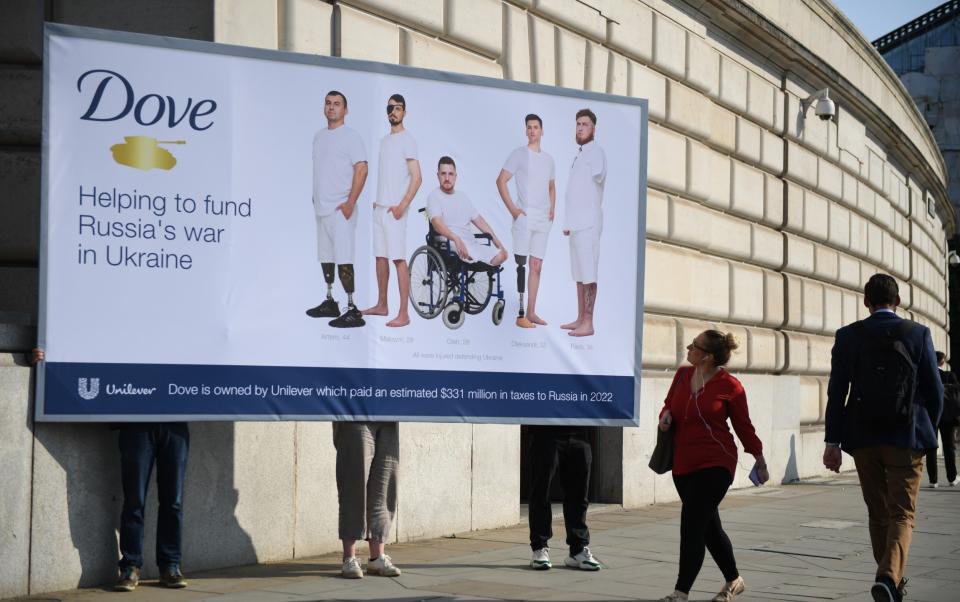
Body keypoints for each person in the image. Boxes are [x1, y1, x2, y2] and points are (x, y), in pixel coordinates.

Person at [823, 273, 942, 602]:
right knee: (902, 513)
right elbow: (935, 392)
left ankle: (890, 581)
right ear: (898, 302)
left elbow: (837, 393)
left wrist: (832, 441)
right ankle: (889, 577)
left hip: (862, 438)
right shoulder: (917, 333)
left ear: (866, 301)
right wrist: (926, 430)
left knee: (877, 512)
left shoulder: (848, 336)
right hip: (906, 437)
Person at [31, 349, 190, 593]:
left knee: (173, 501)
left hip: (175, 420)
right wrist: (48, 356)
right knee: (135, 501)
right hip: (136, 422)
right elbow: (88, 343)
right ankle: (130, 567)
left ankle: (170, 565)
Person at [656, 331, 767, 602]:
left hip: (717, 462)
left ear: (707, 356)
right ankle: (734, 580)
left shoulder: (730, 385)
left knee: (691, 524)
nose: (689, 347)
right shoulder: (683, 375)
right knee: (709, 528)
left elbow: (743, 426)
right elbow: (668, 405)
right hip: (683, 463)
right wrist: (665, 417)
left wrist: (759, 458)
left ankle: (680, 593)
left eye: (694, 346)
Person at [305, 90, 369, 328]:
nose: (331, 108)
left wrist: (351, 202)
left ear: (345, 110)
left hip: (341, 210)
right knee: (326, 256)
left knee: (344, 258)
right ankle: (331, 301)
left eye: (337, 104)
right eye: (328, 104)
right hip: (321, 209)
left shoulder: (351, 137)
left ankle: (352, 307)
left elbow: (362, 169)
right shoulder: (319, 136)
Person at [361, 93, 422, 327]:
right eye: (390, 108)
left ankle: (404, 313)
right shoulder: (384, 141)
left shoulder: (408, 139)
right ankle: (382, 304)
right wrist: (378, 202)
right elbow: (388, 175)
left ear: (404, 112)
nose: (393, 112)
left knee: (398, 259)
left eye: (397, 108)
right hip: (381, 208)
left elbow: (417, 177)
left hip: (396, 211)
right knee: (380, 257)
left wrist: (402, 206)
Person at [496, 113, 556, 328]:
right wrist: (513, 209)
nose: (532, 131)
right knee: (522, 265)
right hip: (525, 217)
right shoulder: (519, 154)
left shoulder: (548, 159)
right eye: (529, 127)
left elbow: (551, 186)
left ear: (542, 131)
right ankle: (521, 314)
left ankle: (532, 312)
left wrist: (552, 210)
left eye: (536, 127)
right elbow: (501, 180)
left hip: (543, 220)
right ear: (526, 131)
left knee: (537, 265)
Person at [334, 421, 401, 579]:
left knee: (384, 485)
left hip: (388, 412)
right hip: (355, 411)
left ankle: (377, 557)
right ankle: (349, 558)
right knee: (353, 483)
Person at [561, 108, 606, 338]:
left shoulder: (596, 152)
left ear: (593, 128)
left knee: (589, 273)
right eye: (578, 124)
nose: (580, 128)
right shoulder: (579, 154)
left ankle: (589, 322)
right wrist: (568, 222)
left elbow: (593, 184)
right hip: (576, 224)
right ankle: (580, 318)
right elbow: (576, 190)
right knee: (578, 273)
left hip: (588, 224)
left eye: (585, 124)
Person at [427, 156, 507, 267]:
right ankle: (475, 260)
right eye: (443, 173)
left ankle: (480, 261)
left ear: (455, 176)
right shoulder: (434, 197)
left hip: (469, 242)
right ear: (437, 176)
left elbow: (480, 221)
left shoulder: (462, 197)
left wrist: (498, 243)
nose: (447, 178)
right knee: (472, 253)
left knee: (502, 255)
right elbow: (437, 225)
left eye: (450, 174)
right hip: (448, 243)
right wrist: (456, 238)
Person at [926, 351, 959, 488]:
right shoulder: (950, 376)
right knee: (949, 447)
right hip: (948, 417)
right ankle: (952, 478)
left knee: (931, 448)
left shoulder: (928, 376)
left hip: (931, 416)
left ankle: (933, 481)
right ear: (942, 362)